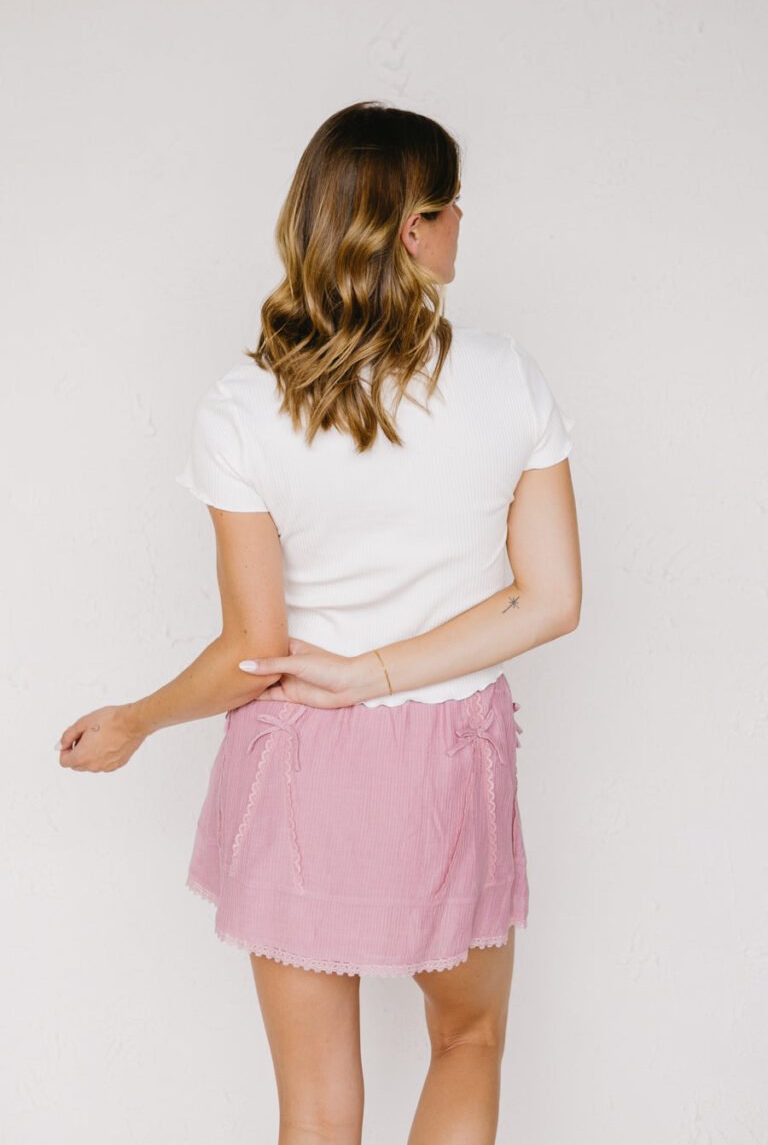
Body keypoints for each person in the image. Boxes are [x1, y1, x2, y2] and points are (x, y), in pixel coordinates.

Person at [56, 101, 582, 1145]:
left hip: (298, 755)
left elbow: (252, 652)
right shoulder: (507, 380)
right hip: (450, 759)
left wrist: (137, 720)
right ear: (414, 229)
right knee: (468, 1039)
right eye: (450, 204)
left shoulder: (244, 406)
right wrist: (379, 672)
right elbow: (550, 598)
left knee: (316, 1105)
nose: (463, 221)